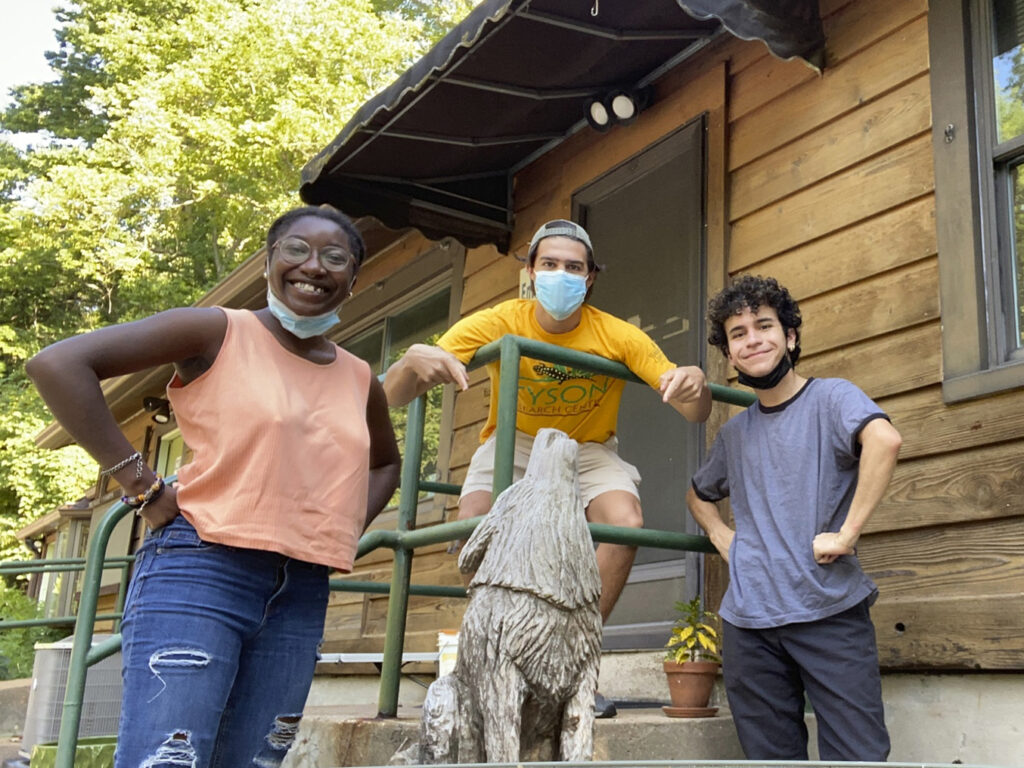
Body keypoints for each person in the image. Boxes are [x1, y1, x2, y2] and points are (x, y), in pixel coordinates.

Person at [27, 205, 401, 767]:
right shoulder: (217, 331)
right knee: (167, 758)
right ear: (271, 260)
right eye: (296, 250)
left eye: (335, 257)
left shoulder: (358, 377)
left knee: (255, 762)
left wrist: (338, 532)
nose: (313, 267)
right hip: (200, 570)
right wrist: (141, 486)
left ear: (353, 277)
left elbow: (384, 465)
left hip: (301, 591)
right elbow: (58, 364)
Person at [384, 219, 712, 717]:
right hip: (512, 441)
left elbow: (692, 408)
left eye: (574, 267)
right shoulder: (498, 320)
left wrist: (696, 385)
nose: (562, 274)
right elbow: (394, 396)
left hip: (588, 445)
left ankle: (570, 661)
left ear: (591, 277)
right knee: (475, 529)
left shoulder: (617, 334)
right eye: (551, 264)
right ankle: (495, 663)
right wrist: (410, 362)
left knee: (624, 523)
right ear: (532, 273)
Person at [687, 275, 901, 761]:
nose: (752, 338)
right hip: (748, 622)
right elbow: (698, 494)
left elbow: (884, 441)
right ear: (730, 353)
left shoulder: (832, 397)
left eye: (764, 325)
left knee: (858, 755)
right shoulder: (735, 434)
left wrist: (847, 533)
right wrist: (723, 537)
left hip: (828, 609)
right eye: (738, 333)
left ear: (790, 337)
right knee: (772, 760)